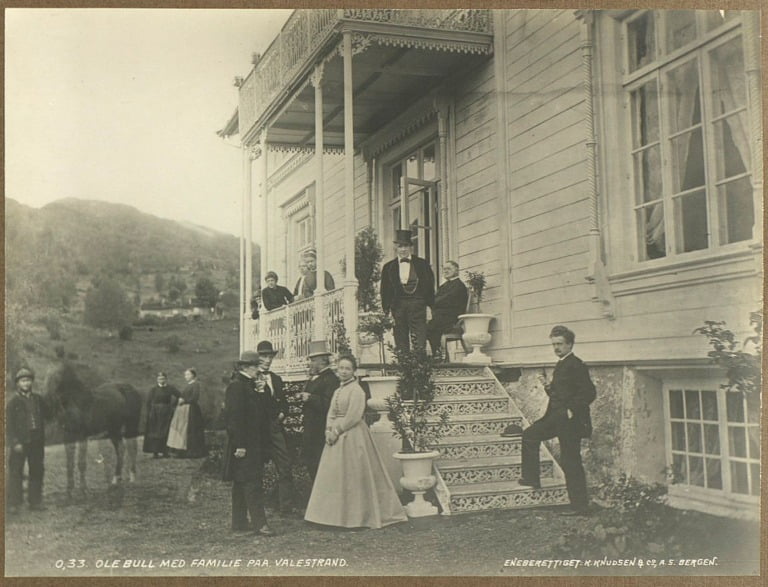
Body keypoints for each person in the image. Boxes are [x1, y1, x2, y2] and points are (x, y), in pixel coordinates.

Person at [304, 355, 407, 529]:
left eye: (347, 369)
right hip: (334, 438)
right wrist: (328, 430)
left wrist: (337, 431)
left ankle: (356, 517)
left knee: (353, 476)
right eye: (341, 368)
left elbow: (354, 416)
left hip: (352, 435)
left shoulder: (357, 390)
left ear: (354, 371)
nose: (343, 372)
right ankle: (331, 517)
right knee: (334, 476)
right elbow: (331, 412)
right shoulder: (338, 390)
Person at [518, 325, 596, 515]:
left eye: (560, 344)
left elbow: (589, 392)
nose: (556, 348)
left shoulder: (576, 365)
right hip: (555, 416)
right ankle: (532, 478)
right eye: (554, 344)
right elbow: (560, 393)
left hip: (570, 420)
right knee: (530, 435)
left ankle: (580, 506)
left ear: (569, 344)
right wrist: (547, 387)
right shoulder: (562, 363)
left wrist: (572, 409)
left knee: (571, 460)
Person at [221, 351, 275, 536]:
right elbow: (234, 419)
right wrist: (241, 445)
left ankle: (239, 522)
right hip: (245, 444)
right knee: (252, 482)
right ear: (245, 367)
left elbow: (263, 413)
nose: (258, 369)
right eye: (255, 366)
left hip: (252, 443)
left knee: (241, 482)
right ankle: (260, 524)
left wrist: (261, 392)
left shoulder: (251, 386)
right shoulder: (237, 387)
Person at [256, 340, 297, 515]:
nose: (267, 360)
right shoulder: (251, 378)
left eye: (270, 356)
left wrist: (281, 414)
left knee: (285, 466)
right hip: (258, 430)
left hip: (275, 428)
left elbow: (285, 404)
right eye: (264, 356)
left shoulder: (277, 379)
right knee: (255, 468)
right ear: (257, 358)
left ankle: (285, 507)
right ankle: (257, 507)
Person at [380, 229, 435, 351]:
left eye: (406, 246)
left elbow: (430, 286)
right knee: (400, 339)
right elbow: (385, 290)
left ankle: (420, 368)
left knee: (420, 340)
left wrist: (429, 306)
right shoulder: (388, 267)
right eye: (400, 246)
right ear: (396, 248)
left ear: (411, 247)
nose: (403, 249)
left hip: (418, 305)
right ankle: (404, 367)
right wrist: (386, 310)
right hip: (398, 305)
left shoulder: (422, 264)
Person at [7, 367, 48, 513]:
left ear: (32, 382)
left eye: (28, 380)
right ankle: (14, 503)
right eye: (23, 380)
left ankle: (35, 501)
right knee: (16, 471)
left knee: (37, 469)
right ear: (17, 383)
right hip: (20, 442)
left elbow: (46, 415)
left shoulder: (38, 399)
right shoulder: (13, 402)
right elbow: (8, 424)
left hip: (36, 440)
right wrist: (15, 442)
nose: (26, 383)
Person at [297, 341, 340, 481]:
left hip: (321, 428)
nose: (311, 364)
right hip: (312, 429)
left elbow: (330, 404)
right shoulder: (315, 378)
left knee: (320, 465)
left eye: (313, 360)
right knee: (313, 464)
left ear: (322, 361)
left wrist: (310, 398)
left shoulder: (331, 379)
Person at [426, 260, 469, 358]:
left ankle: (438, 355)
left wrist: (433, 303)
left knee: (431, 327)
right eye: (444, 269)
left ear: (457, 270)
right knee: (424, 327)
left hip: (452, 318)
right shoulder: (444, 286)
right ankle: (436, 354)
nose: (445, 271)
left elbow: (445, 300)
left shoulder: (458, 285)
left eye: (448, 269)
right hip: (441, 316)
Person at [167, 368, 207, 458]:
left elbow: (194, 398)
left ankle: (193, 452)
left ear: (193, 375)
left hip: (191, 411)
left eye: (188, 375)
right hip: (184, 410)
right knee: (183, 430)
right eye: (185, 375)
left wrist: (184, 401)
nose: (186, 376)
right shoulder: (189, 385)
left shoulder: (195, 385)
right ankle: (183, 450)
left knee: (191, 430)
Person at [143, 372, 180, 458]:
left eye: (163, 379)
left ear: (166, 379)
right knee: (154, 432)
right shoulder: (153, 389)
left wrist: (173, 406)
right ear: (157, 380)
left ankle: (165, 452)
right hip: (155, 413)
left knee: (165, 431)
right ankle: (155, 452)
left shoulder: (170, 388)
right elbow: (148, 402)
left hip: (166, 412)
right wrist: (149, 413)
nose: (161, 380)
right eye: (159, 379)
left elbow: (179, 396)